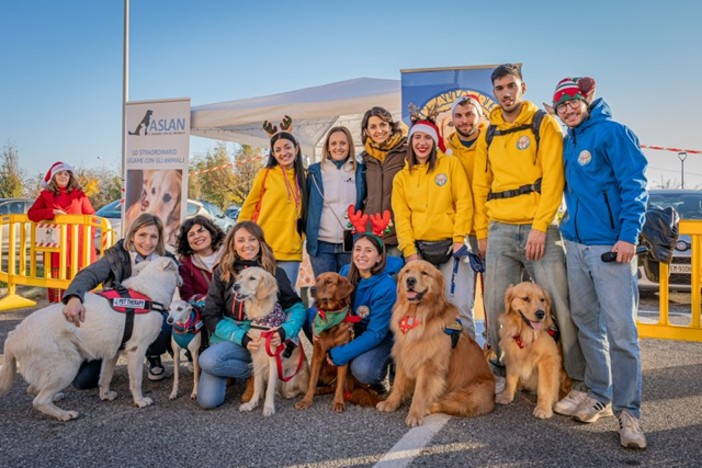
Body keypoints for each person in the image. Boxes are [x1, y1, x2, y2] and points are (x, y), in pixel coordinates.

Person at [472, 64, 585, 387]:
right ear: (494, 92)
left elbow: (553, 178)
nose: (506, 93)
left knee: (557, 303)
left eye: (511, 86)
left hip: (540, 229)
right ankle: (505, 367)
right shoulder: (489, 132)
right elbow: (481, 185)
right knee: (496, 303)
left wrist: (540, 225)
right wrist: (482, 233)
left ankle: (575, 376)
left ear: (522, 87)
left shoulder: (543, 123)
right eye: (499, 88)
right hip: (500, 228)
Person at [552, 77, 648, 448]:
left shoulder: (612, 132)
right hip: (574, 245)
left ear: (585, 100)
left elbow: (635, 184)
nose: (569, 110)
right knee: (587, 324)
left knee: (621, 331)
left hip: (610, 246)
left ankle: (630, 413)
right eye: (562, 106)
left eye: (573, 102)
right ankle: (599, 395)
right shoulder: (567, 140)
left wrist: (628, 236)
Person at [197, 221, 306, 409]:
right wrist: (241, 338)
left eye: (252, 239)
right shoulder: (222, 273)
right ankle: (251, 374)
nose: (247, 245)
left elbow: (296, 307)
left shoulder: (274, 272)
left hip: (264, 341)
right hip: (233, 339)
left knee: (211, 384)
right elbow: (210, 315)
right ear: (233, 245)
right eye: (240, 240)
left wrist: (285, 332)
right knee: (208, 384)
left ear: (260, 242)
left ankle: (256, 375)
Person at [62, 213, 176, 386]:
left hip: (148, 323)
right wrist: (74, 297)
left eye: (154, 236)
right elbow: (89, 274)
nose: (148, 242)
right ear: (132, 235)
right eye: (142, 235)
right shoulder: (116, 256)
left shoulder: (166, 261)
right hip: (113, 325)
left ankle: (153, 356)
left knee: (163, 322)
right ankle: (105, 354)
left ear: (159, 239)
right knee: (83, 382)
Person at [392, 116, 476, 339]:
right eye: (417, 137)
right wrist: (410, 254)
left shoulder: (450, 164)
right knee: (424, 311)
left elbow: (464, 202)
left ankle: (469, 366)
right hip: (421, 253)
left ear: (435, 141)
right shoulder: (401, 178)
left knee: (460, 308)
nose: (422, 143)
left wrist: (459, 239)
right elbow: (402, 218)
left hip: (452, 248)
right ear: (410, 143)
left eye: (427, 137)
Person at [306, 232, 401, 391]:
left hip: (378, 337)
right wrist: (316, 324)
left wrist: (341, 354)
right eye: (358, 249)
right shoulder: (346, 272)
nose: (361, 255)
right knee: (308, 315)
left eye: (368, 251)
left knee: (363, 370)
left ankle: (371, 379)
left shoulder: (387, 287)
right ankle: (329, 370)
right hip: (350, 331)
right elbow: (326, 308)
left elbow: (376, 333)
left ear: (379, 257)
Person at [238, 117, 307, 287]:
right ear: (273, 154)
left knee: (286, 297)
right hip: (264, 248)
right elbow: (249, 206)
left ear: (296, 149)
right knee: (261, 296)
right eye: (278, 150)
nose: (283, 153)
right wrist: (239, 238)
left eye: (287, 147)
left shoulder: (305, 176)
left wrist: (300, 236)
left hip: (291, 249)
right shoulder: (266, 174)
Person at [28, 161, 96, 303]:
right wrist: (52, 212)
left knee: (78, 279)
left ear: (70, 177)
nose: (63, 176)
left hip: (78, 246)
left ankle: (80, 308)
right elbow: (32, 214)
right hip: (56, 246)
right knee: (56, 280)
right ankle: (56, 311)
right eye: (59, 174)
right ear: (54, 177)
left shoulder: (80, 195)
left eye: (66, 173)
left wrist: (88, 239)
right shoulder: (46, 195)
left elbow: (91, 215)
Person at [306, 126, 366, 276]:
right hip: (321, 246)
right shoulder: (314, 172)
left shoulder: (360, 171)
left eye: (342, 143)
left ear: (349, 145)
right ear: (327, 146)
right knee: (325, 294)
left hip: (350, 243)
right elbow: (306, 204)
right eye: (333, 143)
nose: (338, 147)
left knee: (350, 291)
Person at [360, 106, 408, 256]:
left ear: (390, 127)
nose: (379, 131)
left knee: (395, 278)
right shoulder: (365, 159)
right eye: (373, 127)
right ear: (367, 131)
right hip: (371, 235)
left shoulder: (405, 153)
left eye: (383, 125)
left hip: (397, 234)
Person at [445, 94, 488, 253]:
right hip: (460, 231)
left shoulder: (492, 145)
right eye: (458, 116)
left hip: (492, 226)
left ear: (480, 116)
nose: (464, 121)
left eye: (469, 114)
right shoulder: (446, 152)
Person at [175, 215, 225, 302]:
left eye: (201, 231)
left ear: (211, 233)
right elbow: (187, 296)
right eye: (191, 235)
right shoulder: (185, 263)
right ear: (186, 241)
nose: (197, 236)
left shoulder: (228, 256)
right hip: (204, 311)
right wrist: (207, 300)